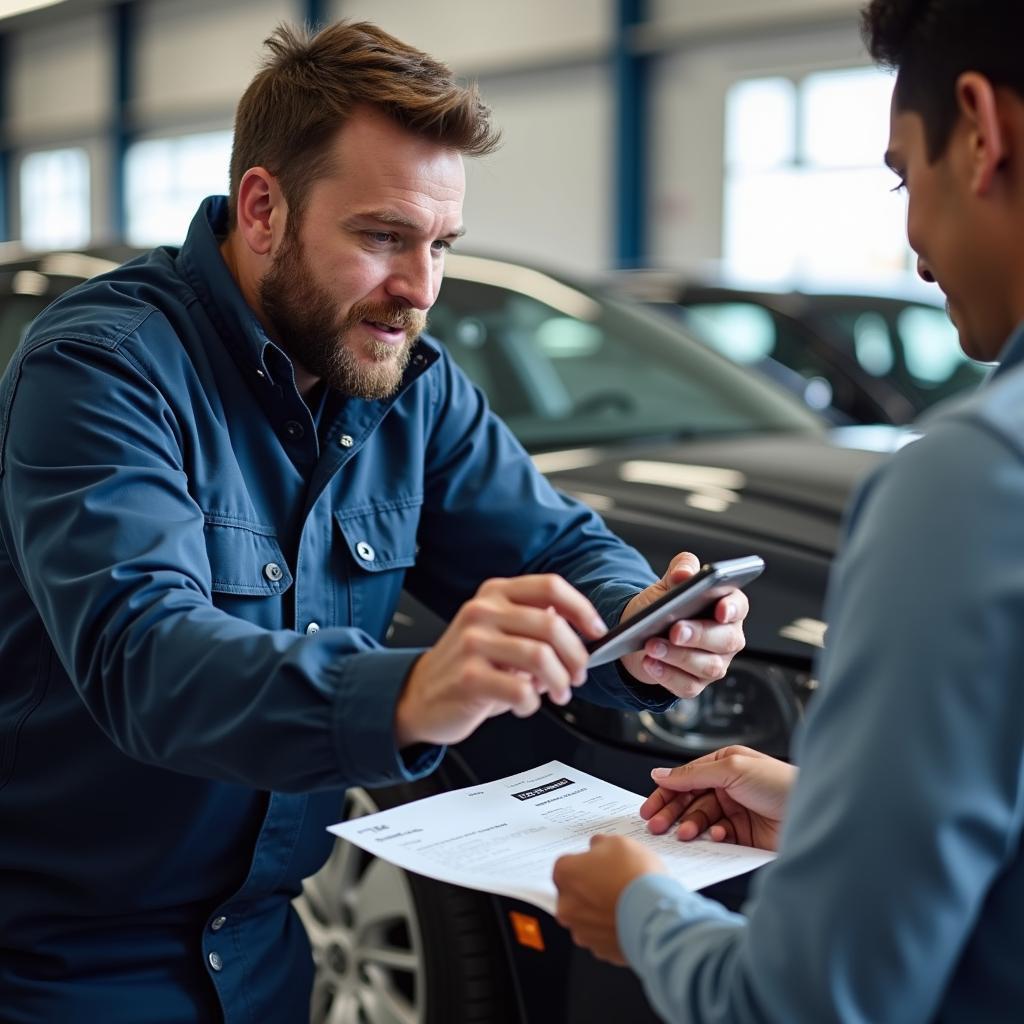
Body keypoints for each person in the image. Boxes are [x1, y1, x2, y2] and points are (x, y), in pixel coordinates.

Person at [0, 20, 751, 1024]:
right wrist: (407, 691)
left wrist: (642, 623)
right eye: (383, 236)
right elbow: (144, 654)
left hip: (265, 948)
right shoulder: (103, 369)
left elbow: (558, 546)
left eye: (440, 244)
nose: (421, 288)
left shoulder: (408, 393)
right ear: (262, 207)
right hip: (60, 966)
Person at [553, 1, 1024, 1020]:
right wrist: (835, 816)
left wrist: (639, 909)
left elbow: (815, 998)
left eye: (904, 176)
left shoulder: (973, 482)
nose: (912, 244)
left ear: (981, 132)